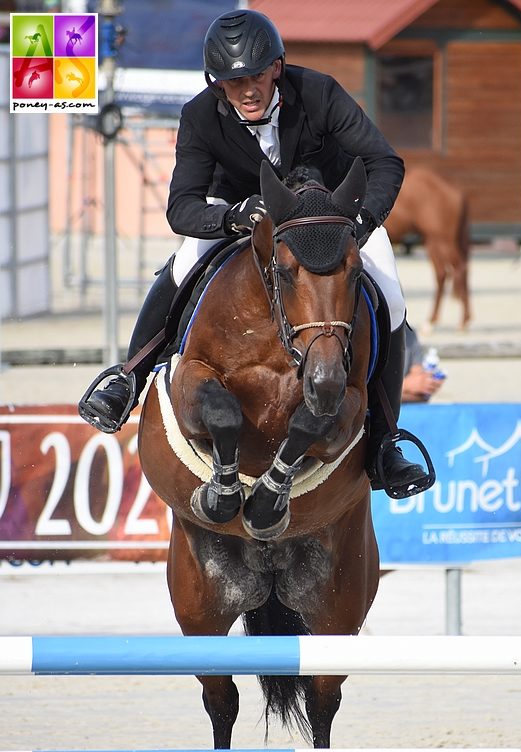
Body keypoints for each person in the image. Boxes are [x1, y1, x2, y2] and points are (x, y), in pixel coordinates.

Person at [79, 8, 427, 495]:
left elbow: (383, 160)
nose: (247, 90)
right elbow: (181, 206)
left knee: (389, 289)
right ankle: (128, 380)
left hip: (327, 220)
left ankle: (386, 443)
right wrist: (230, 217)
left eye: (256, 76)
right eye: (232, 81)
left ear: (276, 69)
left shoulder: (320, 93)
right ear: (216, 83)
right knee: (184, 263)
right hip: (242, 216)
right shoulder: (200, 115)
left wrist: (362, 221)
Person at [402, 325, 446, 403]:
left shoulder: (409, 334)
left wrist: (426, 385)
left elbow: (420, 392)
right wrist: (406, 385)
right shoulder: (375, 331)